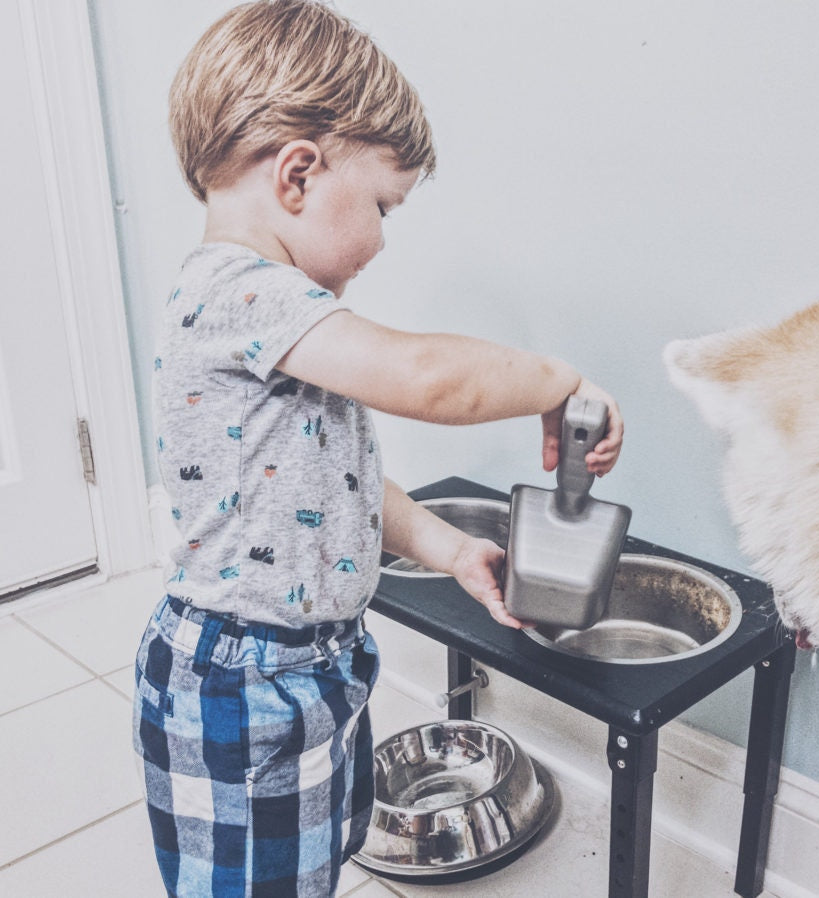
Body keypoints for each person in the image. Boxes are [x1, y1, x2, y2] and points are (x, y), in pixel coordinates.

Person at [133, 2, 623, 895]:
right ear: (298, 175)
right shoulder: (244, 295)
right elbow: (432, 378)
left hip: (310, 662)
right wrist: (558, 379)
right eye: (382, 205)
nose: (384, 238)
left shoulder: (278, 323)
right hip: (247, 683)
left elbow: (334, 481)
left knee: (311, 863)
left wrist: (444, 546)